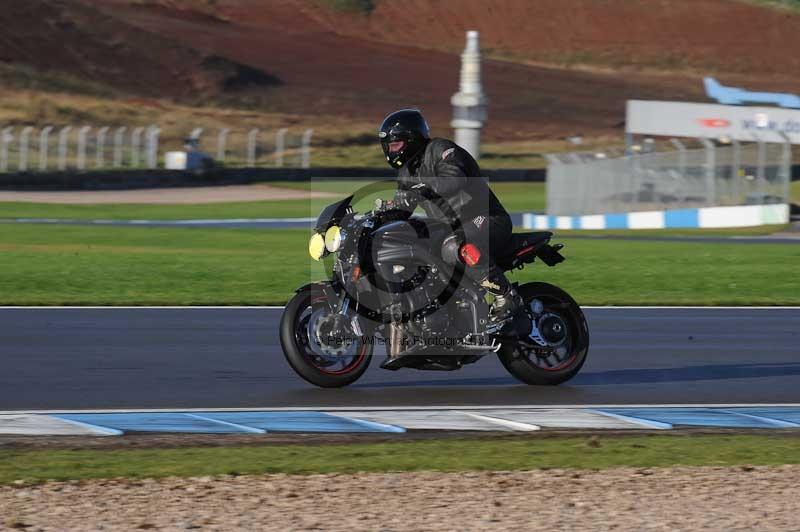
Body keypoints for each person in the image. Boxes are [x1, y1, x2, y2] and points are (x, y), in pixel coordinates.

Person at [378, 108, 521, 322]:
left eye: (395, 145)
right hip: (450, 228)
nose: (391, 151)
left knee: (454, 247)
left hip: (486, 218)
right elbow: (402, 209)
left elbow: (454, 179)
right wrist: (381, 217)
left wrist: (424, 187)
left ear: (412, 139)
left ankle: (506, 296)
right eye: (388, 146)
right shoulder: (407, 172)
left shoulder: (441, 149)